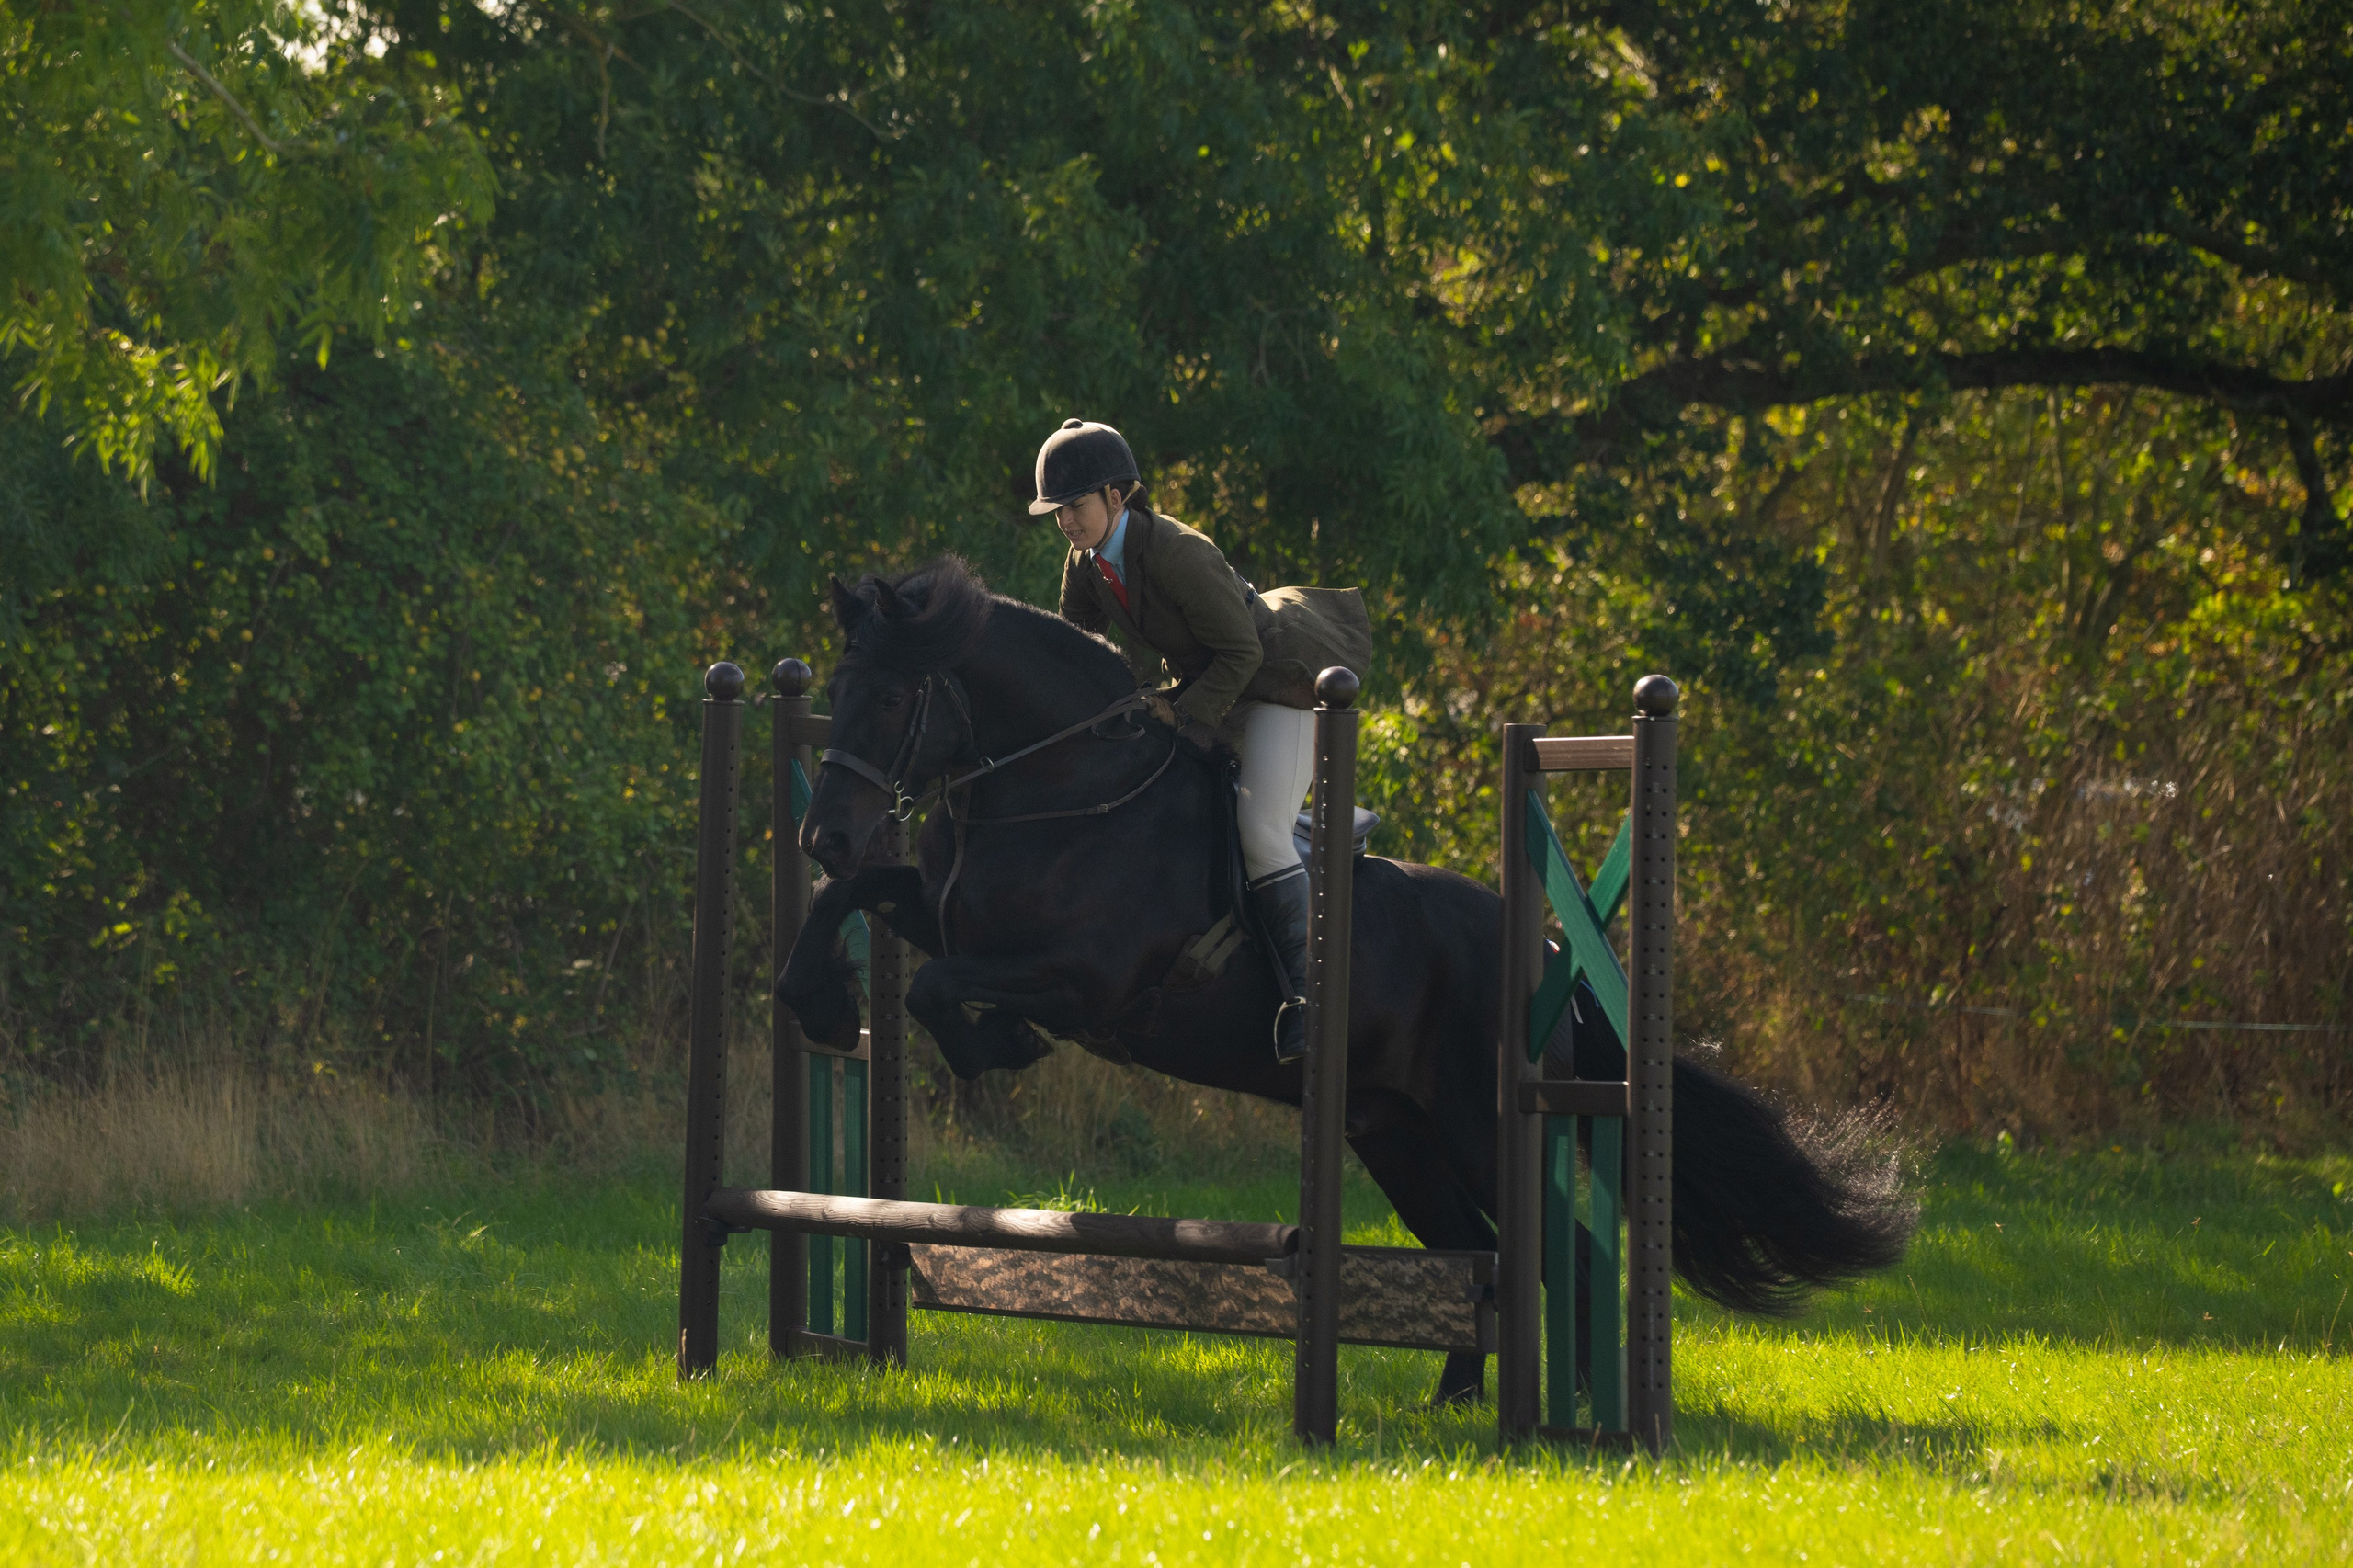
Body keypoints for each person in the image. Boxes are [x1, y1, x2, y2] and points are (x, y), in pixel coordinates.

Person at [1029, 417, 1371, 1062]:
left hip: (1274, 683)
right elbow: (1077, 651)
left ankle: (1311, 998)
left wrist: (1178, 713)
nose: (1066, 522)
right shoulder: (1087, 564)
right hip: (1213, 685)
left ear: (1117, 496)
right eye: (1057, 511)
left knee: (1258, 831)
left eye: (1074, 506)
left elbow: (1241, 653)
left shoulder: (1180, 553)